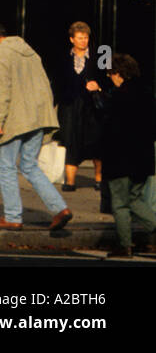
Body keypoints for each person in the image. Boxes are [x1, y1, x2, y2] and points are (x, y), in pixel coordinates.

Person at [0, 22, 72, 231]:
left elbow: (1, 91)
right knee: (29, 165)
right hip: (38, 117)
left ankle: (13, 216)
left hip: (15, 119)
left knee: (6, 168)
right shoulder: (30, 52)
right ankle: (60, 208)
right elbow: (45, 85)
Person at [95, 53, 156, 258]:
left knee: (120, 203)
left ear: (118, 73)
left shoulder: (118, 97)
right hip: (143, 157)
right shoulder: (147, 94)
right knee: (136, 199)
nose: (110, 77)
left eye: (111, 73)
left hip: (120, 158)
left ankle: (125, 245)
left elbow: (109, 126)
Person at [54, 21, 104, 193]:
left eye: (86, 38)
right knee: (71, 140)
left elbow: (110, 78)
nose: (84, 41)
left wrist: (99, 86)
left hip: (91, 107)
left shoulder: (100, 55)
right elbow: (57, 82)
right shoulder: (62, 57)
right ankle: (70, 181)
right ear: (72, 39)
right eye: (80, 38)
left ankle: (99, 180)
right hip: (70, 106)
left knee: (96, 142)